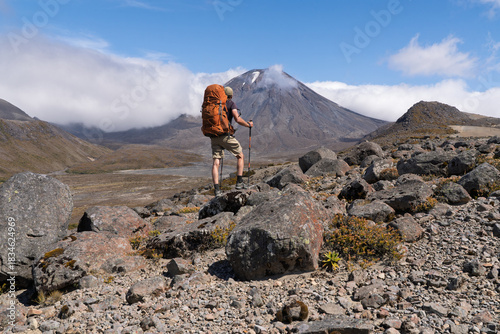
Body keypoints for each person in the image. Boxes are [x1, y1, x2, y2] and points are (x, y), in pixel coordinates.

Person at [211, 86, 253, 196]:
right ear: (231, 95)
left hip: (214, 136)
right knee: (240, 156)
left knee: (216, 163)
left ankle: (216, 190)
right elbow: (237, 119)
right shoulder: (230, 103)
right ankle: (239, 182)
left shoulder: (214, 104)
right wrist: (248, 125)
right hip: (225, 135)